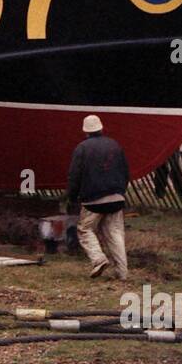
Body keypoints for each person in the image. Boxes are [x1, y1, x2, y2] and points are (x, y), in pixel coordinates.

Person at [67, 114, 130, 279]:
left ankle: (98, 259)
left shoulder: (82, 148)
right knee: (115, 233)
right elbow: (125, 172)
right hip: (116, 197)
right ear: (101, 128)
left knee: (85, 229)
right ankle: (122, 273)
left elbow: (74, 176)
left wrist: (72, 198)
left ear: (85, 131)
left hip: (93, 200)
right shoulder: (115, 145)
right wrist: (120, 192)